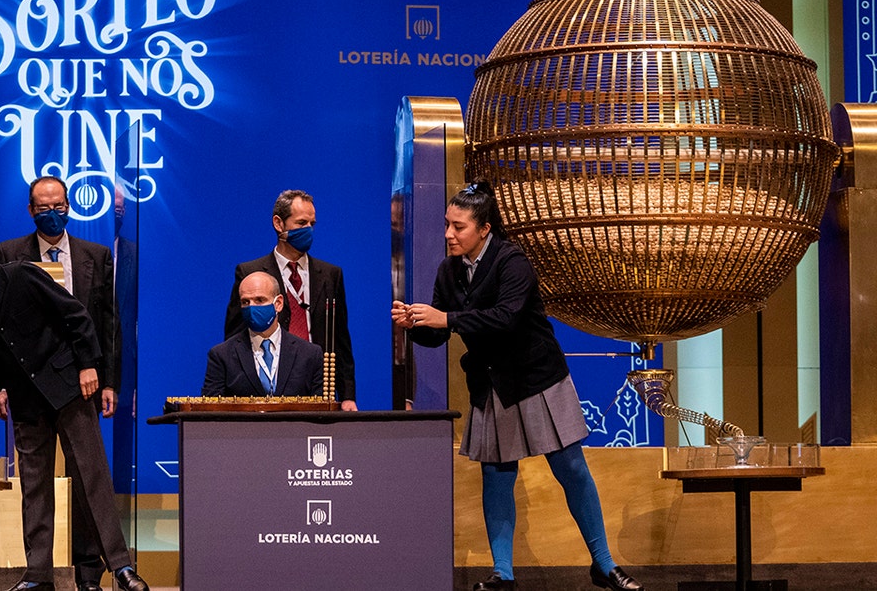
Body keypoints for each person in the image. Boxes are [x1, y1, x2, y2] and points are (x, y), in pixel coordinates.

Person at [391, 182, 643, 591]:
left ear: (485, 228)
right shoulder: (448, 270)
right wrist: (415, 324)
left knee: (571, 468)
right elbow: (438, 334)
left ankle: (604, 564)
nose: (448, 234)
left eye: (458, 227)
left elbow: (504, 318)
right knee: (497, 473)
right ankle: (503, 574)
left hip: (537, 378)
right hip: (491, 382)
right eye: (446, 225)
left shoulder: (513, 262)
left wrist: (446, 319)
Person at [0, 242, 147, 591]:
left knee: (92, 479)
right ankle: (38, 575)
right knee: (34, 490)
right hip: (27, 405)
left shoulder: (22, 275)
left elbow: (77, 317)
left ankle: (121, 567)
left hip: (69, 391)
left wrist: (89, 365)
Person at [0, 175, 121, 591]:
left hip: (80, 382)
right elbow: (0, 328)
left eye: (59, 205)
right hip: (30, 385)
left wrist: (108, 380)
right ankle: (38, 577)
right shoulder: (10, 254)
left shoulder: (95, 255)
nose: (52, 213)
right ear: (30, 210)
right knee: (36, 483)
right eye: (43, 207)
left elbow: (107, 325)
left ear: (69, 205)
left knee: (88, 478)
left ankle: (89, 574)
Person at [224, 189, 356, 409]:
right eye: (301, 223)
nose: (308, 230)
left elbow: (340, 339)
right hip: (268, 385)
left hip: (317, 385)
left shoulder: (331, 275)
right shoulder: (250, 272)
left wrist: (348, 395)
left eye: (312, 224)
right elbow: (235, 335)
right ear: (279, 224)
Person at [204, 271, 323, 397]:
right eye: (245, 302)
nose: (251, 308)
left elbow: (320, 411)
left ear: (278, 304)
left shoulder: (310, 354)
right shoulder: (221, 356)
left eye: (259, 300)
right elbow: (209, 411)